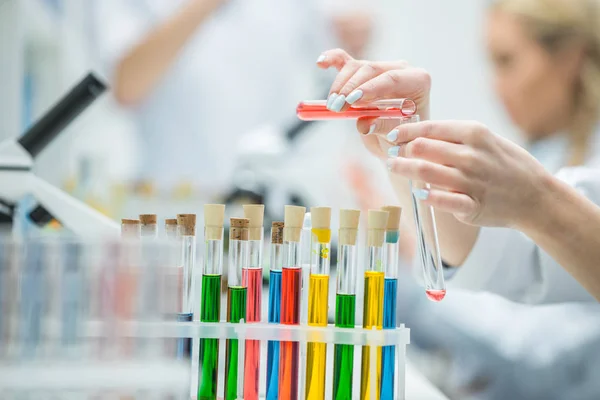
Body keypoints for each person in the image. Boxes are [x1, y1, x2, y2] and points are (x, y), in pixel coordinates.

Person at [317, 0, 600, 304]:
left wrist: (535, 200)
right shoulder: (548, 157)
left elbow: (538, 331)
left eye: (506, 60)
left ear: (569, 57)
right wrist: (405, 152)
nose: (495, 85)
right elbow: (511, 262)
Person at [93, 0, 374, 198]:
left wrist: (352, 33)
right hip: (173, 203)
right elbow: (126, 86)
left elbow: (339, 45)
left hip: (267, 203)